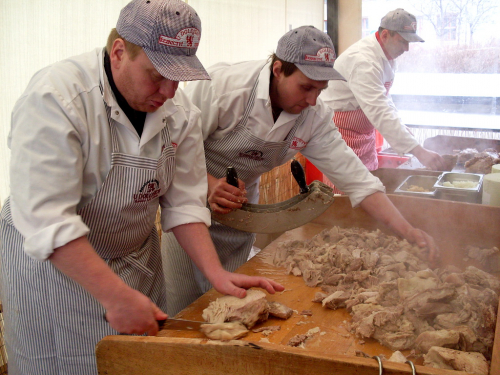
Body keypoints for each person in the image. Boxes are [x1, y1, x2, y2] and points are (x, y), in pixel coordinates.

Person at [0, 0, 284, 374]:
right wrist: (114, 296)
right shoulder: (58, 98)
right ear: (119, 52)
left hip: (134, 259)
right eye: (156, 74)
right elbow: (48, 219)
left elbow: (183, 203)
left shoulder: (179, 114)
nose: (168, 91)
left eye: (178, 77)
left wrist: (217, 274)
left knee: (140, 363)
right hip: (58, 269)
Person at [161, 25, 440, 316]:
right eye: (306, 87)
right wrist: (209, 185)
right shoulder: (222, 87)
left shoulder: (314, 117)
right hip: (190, 198)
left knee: (234, 305)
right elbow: (172, 148)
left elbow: (359, 181)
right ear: (279, 69)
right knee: (184, 304)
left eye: (320, 90)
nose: (312, 101)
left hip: (241, 206)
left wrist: (407, 230)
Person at [320, 8, 445, 171]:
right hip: (342, 136)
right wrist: (419, 151)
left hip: (363, 135)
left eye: (409, 42)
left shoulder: (387, 57)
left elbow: (384, 99)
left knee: (366, 186)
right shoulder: (363, 61)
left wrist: (401, 126)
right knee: (347, 191)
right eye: (403, 41)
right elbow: (379, 110)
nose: (407, 48)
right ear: (385, 35)